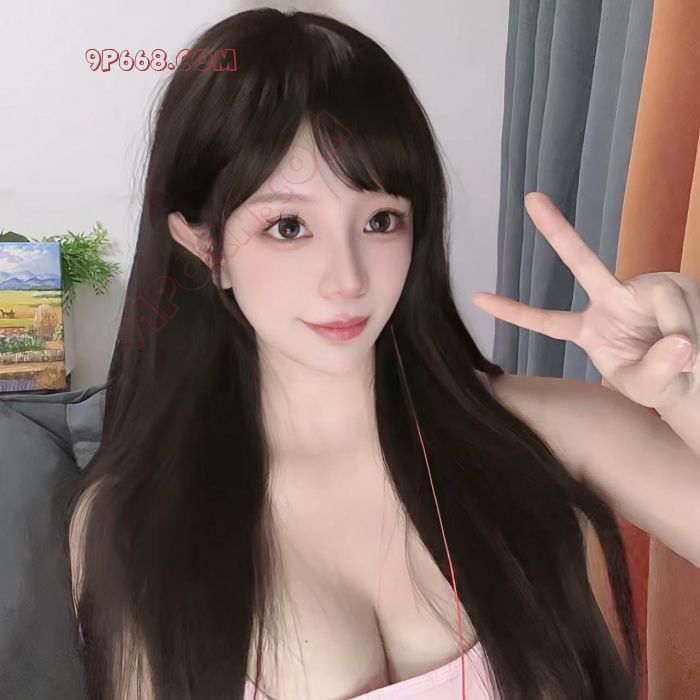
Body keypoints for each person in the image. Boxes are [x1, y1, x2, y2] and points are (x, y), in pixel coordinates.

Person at [67, 7, 700, 699]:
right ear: (206, 247)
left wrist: (685, 388)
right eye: (288, 226)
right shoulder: (136, 520)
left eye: (379, 219)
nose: (348, 279)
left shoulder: (551, 433)